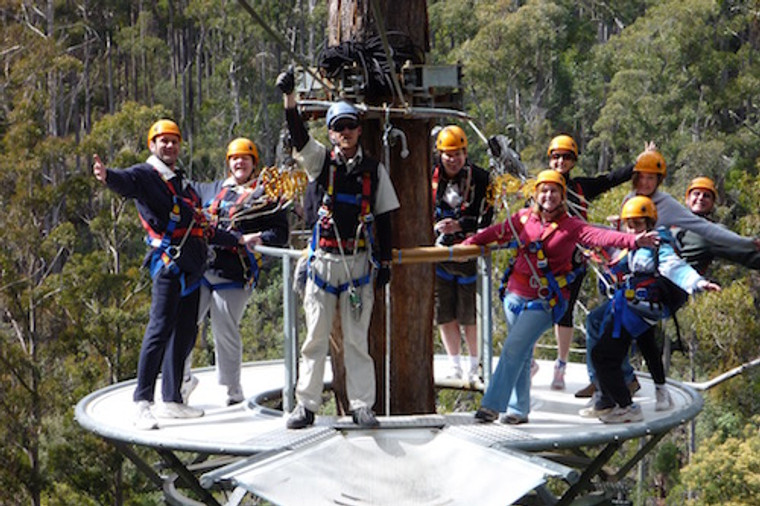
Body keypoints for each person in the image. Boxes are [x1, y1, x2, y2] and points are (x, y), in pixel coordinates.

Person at [92, 120, 261, 430]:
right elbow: (126, 182)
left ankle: (173, 399)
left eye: (174, 141)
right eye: (163, 141)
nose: (169, 146)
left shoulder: (180, 183)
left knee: (185, 333)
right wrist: (107, 177)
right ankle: (142, 402)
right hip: (169, 268)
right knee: (158, 331)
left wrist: (238, 240)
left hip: (193, 269)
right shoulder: (146, 175)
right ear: (152, 145)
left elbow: (204, 228)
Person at [460, 170, 659, 424]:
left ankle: (491, 406)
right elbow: (494, 233)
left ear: (563, 196)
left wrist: (633, 241)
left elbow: (601, 236)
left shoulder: (572, 227)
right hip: (513, 295)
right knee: (520, 352)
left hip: (545, 300)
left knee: (512, 349)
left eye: (554, 191)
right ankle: (519, 410)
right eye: (543, 190)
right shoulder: (522, 219)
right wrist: (468, 244)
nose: (548, 195)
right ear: (536, 194)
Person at [576, 151, 760, 404]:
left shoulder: (672, 215)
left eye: (652, 178)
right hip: (637, 283)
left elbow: (689, 248)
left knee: (619, 339)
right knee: (627, 333)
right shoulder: (634, 201)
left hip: (666, 287)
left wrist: (746, 243)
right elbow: (625, 239)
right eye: (641, 177)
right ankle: (613, 383)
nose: (645, 183)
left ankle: (614, 394)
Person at [276, 69, 400, 429]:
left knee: (357, 341)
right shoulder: (320, 162)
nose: (344, 133)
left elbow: (386, 217)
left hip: (359, 264)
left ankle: (362, 405)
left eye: (349, 126)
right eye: (337, 128)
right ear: (330, 133)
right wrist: (290, 100)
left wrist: (386, 261)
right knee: (315, 339)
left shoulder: (374, 171)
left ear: (359, 130)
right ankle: (307, 405)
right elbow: (299, 136)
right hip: (323, 262)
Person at [591, 196, 720, 423]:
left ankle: (624, 406)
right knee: (636, 347)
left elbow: (673, 265)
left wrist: (697, 282)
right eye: (630, 224)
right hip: (631, 308)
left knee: (602, 355)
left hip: (638, 310)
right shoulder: (634, 244)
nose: (634, 230)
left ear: (650, 223)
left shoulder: (658, 243)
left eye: (638, 224)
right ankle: (621, 399)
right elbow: (618, 264)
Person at [182, 138, 290, 406]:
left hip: (235, 271)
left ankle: (232, 389)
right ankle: (181, 380)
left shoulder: (265, 195)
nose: (239, 162)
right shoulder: (214, 189)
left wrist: (260, 237)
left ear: (254, 163)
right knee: (184, 324)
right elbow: (182, 191)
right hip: (204, 268)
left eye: (245, 158)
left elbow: (281, 232)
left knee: (224, 328)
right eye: (234, 158)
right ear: (228, 163)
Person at [544, 134, 642, 391]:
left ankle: (561, 365)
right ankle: (531, 363)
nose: (561, 161)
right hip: (545, 260)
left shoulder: (581, 188)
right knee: (534, 309)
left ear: (573, 160)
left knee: (564, 312)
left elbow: (610, 180)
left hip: (574, 260)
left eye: (566, 157)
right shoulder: (541, 188)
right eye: (556, 157)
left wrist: (639, 164)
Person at [432, 125, 493, 383]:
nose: (453, 159)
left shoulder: (480, 178)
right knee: (444, 312)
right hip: (436, 253)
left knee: (469, 314)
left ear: (465, 153)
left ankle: (474, 364)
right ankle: (454, 363)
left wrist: (462, 226)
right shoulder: (429, 176)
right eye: (448, 154)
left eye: (457, 154)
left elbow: (487, 218)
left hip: (468, 252)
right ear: (440, 155)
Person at [673, 176, 760, 273]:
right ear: (687, 199)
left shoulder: (712, 232)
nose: (701, 198)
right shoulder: (670, 222)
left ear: (712, 204)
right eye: (696, 194)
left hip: (681, 284)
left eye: (706, 196)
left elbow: (745, 254)